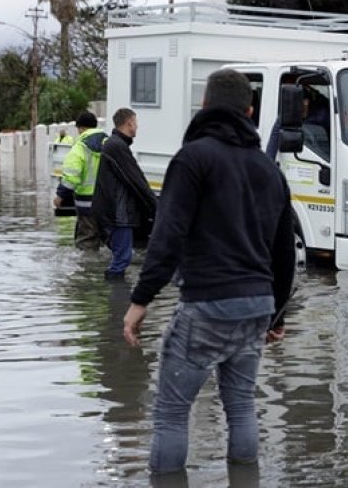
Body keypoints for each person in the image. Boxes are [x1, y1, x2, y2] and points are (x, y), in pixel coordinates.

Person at [122, 68, 296, 476]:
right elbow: (284, 252)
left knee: (170, 413)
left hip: (208, 304)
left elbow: (167, 236)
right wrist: (277, 315)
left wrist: (140, 300)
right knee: (241, 406)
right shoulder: (269, 170)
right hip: (256, 306)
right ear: (250, 112)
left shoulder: (192, 158)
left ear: (204, 106)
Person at [92, 108, 157, 280]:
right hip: (118, 215)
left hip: (115, 213)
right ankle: (116, 300)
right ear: (129, 123)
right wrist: (157, 208)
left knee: (122, 257)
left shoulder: (115, 144)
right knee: (122, 258)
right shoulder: (117, 146)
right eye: (136, 123)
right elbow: (136, 181)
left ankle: (116, 299)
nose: (137, 127)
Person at [53, 112, 106, 250]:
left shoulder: (80, 148)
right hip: (108, 203)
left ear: (81, 128)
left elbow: (71, 177)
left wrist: (60, 196)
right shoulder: (110, 143)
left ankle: (87, 270)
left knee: (86, 242)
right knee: (105, 240)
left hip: (86, 204)